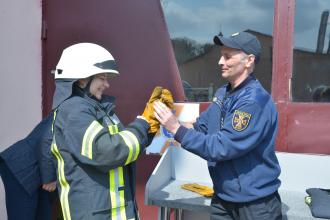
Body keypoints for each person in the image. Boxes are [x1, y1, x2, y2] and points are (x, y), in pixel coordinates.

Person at [154, 31, 282, 220]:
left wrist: (175, 128)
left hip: (255, 204)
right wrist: (161, 123)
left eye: (227, 56)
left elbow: (222, 147)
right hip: (223, 198)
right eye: (221, 55)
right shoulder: (224, 93)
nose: (220, 62)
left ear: (249, 61)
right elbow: (201, 128)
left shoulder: (253, 101)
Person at [50, 42, 170, 220]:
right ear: (82, 79)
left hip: (112, 211)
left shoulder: (96, 109)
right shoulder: (73, 111)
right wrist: (143, 123)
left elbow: (124, 146)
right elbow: (107, 152)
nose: (107, 85)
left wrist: (151, 127)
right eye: (102, 78)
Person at [0, 112, 57, 220]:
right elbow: (45, 140)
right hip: (22, 167)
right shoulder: (74, 107)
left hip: (41, 172)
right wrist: (50, 177)